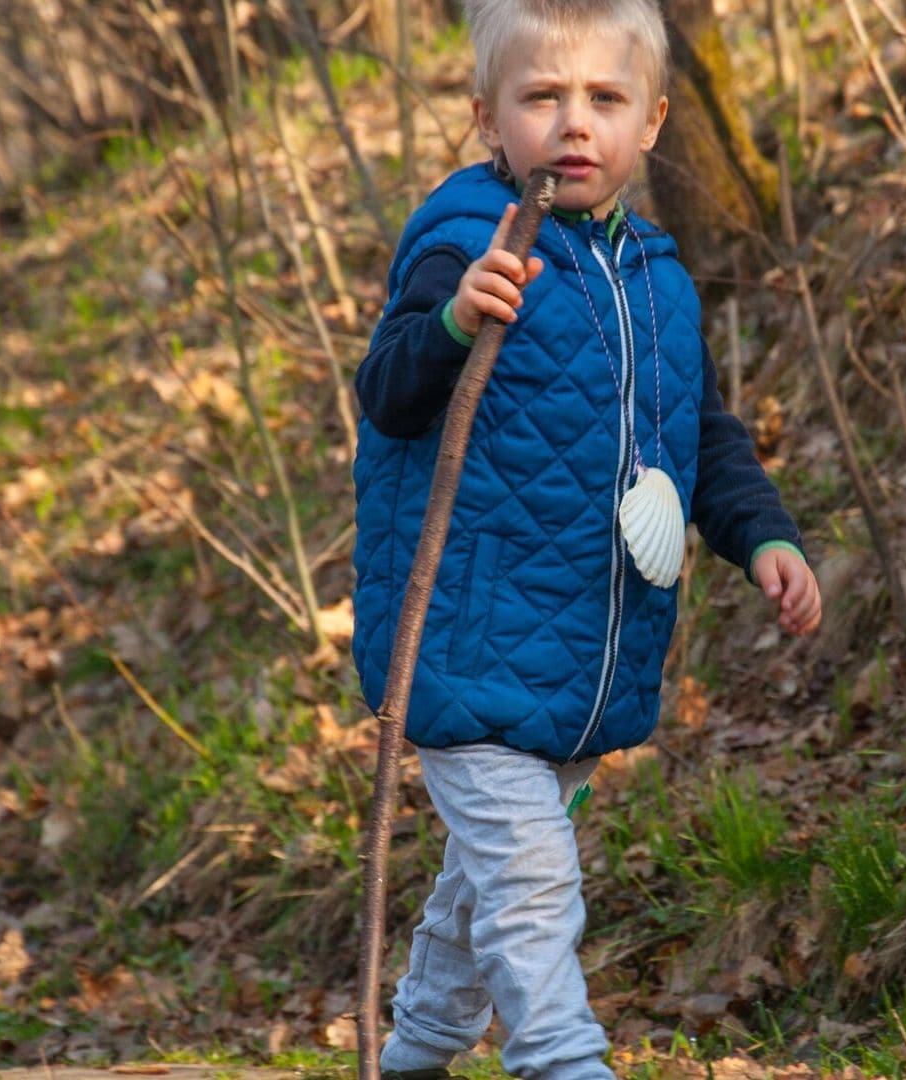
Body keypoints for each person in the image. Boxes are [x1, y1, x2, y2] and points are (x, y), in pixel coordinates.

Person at [350, 0, 821, 1075]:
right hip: (467, 644)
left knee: (485, 888)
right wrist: (457, 321)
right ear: (487, 115)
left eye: (604, 99)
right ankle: (565, 1061)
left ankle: (414, 1056)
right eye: (542, 98)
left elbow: (697, 435)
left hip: (576, 656)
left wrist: (764, 541)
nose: (574, 124)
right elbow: (387, 392)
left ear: (651, 121)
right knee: (530, 883)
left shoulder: (654, 277)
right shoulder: (462, 240)